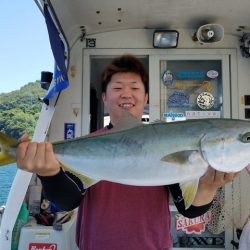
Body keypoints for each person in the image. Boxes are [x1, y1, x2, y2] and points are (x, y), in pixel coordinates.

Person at [17, 54, 239, 250]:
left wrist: (209, 186)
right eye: (117, 88)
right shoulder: (87, 144)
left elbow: (188, 210)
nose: (126, 94)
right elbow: (68, 200)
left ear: (146, 98)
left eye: (134, 88)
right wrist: (49, 174)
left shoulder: (165, 139)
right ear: (104, 97)